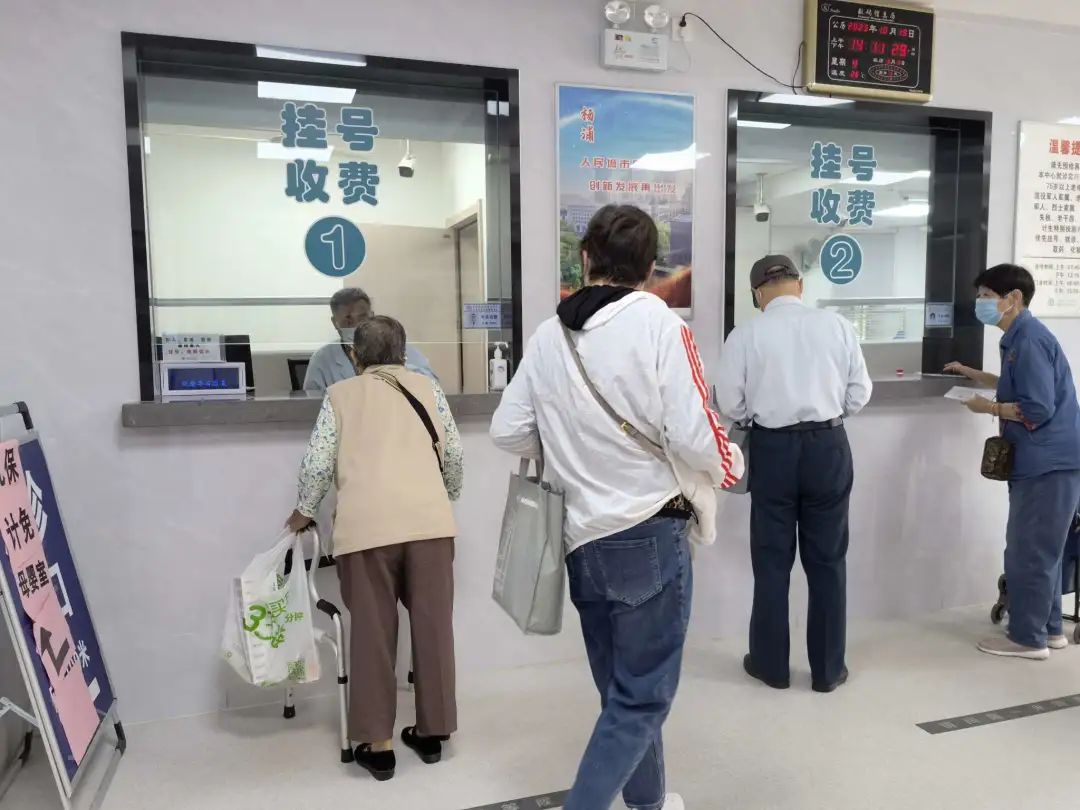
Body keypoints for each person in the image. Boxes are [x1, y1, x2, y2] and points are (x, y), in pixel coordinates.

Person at [491, 204, 744, 810]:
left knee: (620, 692)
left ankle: (647, 803)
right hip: (646, 533)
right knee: (642, 697)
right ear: (651, 268)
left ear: (585, 259)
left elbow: (508, 429)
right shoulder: (659, 323)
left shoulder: (549, 335)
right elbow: (693, 431)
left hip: (579, 540)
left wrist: (567, 444)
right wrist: (731, 466)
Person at [286, 315, 463, 780]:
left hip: (366, 531)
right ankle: (433, 733)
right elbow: (454, 455)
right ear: (403, 352)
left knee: (372, 632)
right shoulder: (429, 389)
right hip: (430, 527)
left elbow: (317, 463)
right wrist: (443, 496)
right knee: (433, 629)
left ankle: (378, 745)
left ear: (354, 355)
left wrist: (304, 510)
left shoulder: (339, 395)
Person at [714, 255, 872, 693]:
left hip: (772, 450)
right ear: (799, 285)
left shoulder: (745, 335)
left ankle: (771, 667)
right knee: (828, 561)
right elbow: (859, 393)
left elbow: (730, 403)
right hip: (828, 446)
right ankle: (828, 670)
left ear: (757, 294)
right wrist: (826, 417)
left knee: (771, 561)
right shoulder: (837, 326)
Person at [946, 263, 1080, 660]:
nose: (981, 304)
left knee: (1029, 551)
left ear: (1014, 298)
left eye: (987, 296)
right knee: (1046, 550)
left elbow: (1036, 408)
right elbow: (1015, 384)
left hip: (1047, 463)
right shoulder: (1020, 338)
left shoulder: (1030, 340)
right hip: (1048, 462)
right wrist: (972, 374)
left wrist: (987, 407)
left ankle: (1027, 638)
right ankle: (1049, 630)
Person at [303, 287, 436, 392]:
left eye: (362, 318)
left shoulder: (398, 346)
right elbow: (310, 405)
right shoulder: (322, 359)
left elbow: (432, 387)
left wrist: (396, 368)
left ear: (372, 316)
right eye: (348, 319)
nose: (356, 325)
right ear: (335, 322)